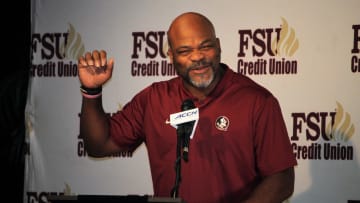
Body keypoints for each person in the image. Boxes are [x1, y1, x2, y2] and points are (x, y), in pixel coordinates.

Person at [78, 12, 297, 203]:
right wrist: (91, 92)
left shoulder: (257, 101)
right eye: (184, 51)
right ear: (171, 57)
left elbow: (282, 179)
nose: (197, 57)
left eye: (206, 46)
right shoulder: (154, 99)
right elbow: (100, 145)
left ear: (218, 46)